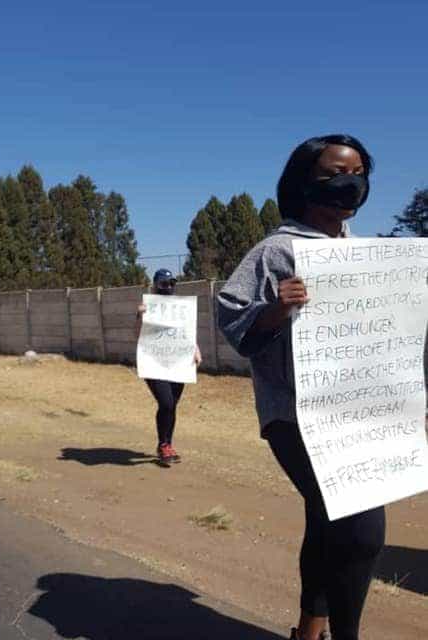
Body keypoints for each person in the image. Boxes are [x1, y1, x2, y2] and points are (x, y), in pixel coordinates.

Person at [218, 135, 385, 640]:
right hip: (295, 415)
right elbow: (233, 325)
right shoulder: (276, 250)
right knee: (360, 527)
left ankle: (309, 629)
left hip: (360, 413)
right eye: (335, 172)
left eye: (358, 171)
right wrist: (275, 308)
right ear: (303, 183)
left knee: (326, 517)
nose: (349, 181)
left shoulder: (368, 254)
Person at [136, 268, 202, 465]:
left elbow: (185, 332)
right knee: (166, 403)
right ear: (156, 285)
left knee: (172, 404)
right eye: (164, 284)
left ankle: (166, 445)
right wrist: (139, 316)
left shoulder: (180, 308)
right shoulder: (147, 307)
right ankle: (164, 444)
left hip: (178, 363)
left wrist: (196, 349)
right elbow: (137, 335)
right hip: (154, 363)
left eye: (172, 283)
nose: (169, 287)